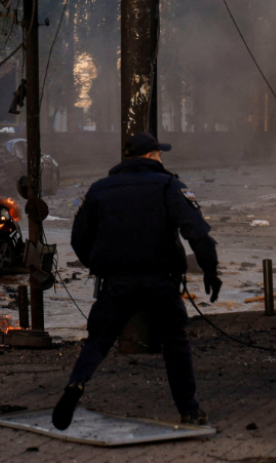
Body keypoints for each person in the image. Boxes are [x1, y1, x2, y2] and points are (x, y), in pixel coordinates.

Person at [53, 132, 221, 430]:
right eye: (159, 153)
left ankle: (76, 384)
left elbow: (79, 238)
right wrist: (210, 270)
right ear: (150, 156)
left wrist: (98, 265)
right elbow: (196, 232)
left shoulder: (99, 189)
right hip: (161, 282)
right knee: (175, 342)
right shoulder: (169, 185)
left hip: (116, 282)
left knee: (99, 339)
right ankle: (190, 410)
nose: (161, 157)